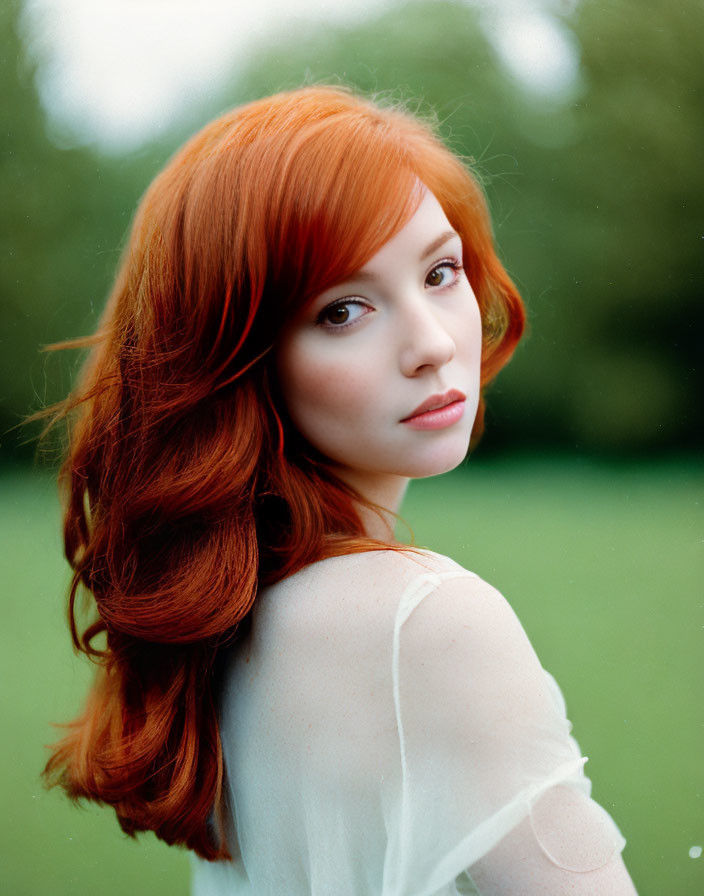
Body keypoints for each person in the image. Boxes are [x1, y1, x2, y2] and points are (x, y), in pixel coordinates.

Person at [43, 85, 637, 895]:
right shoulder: (427, 622)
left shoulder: (230, 616)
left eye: (440, 270)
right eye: (344, 311)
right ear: (240, 361)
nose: (431, 344)